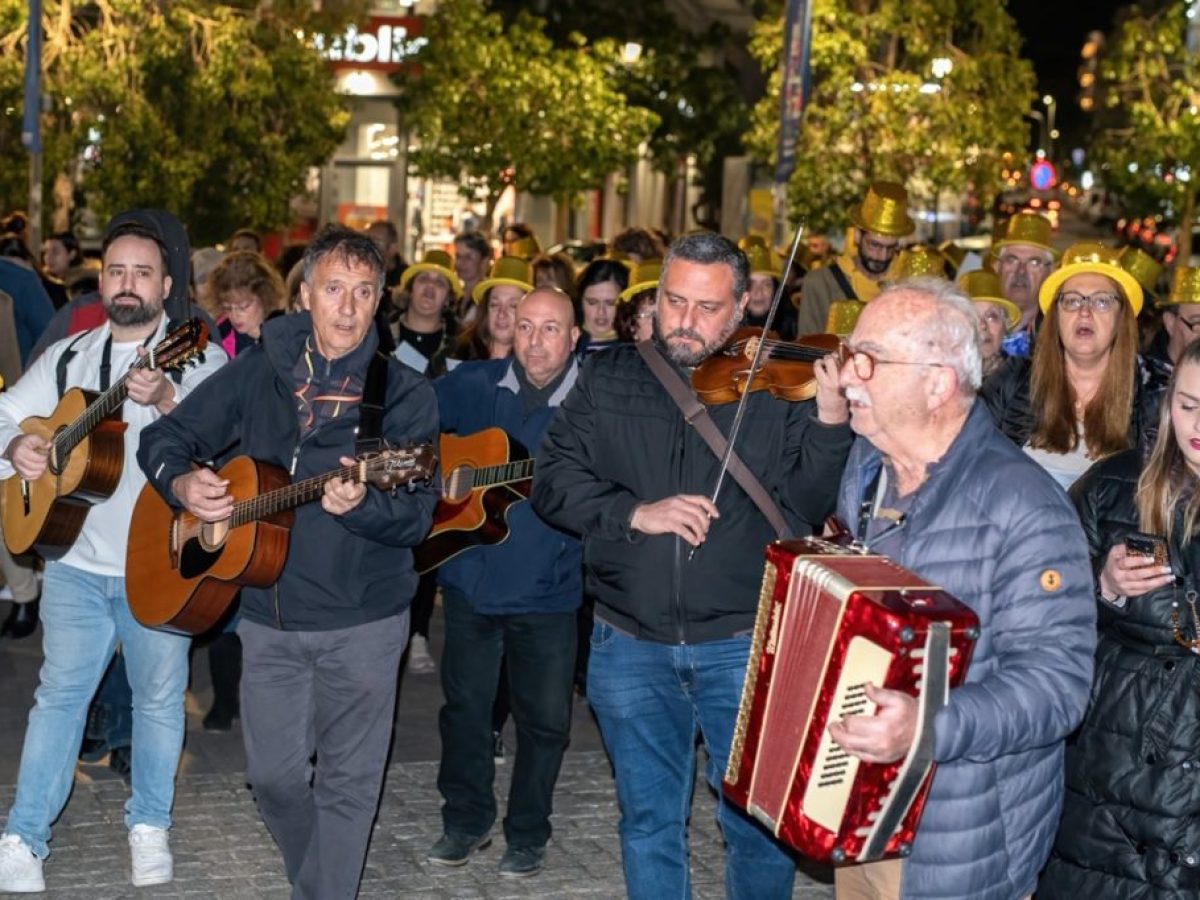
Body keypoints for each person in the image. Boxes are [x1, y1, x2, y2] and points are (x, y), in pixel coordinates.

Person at [532, 231, 853, 899]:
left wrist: (828, 420)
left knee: (756, 826)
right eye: (673, 301)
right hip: (628, 641)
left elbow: (806, 505)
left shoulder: (775, 385)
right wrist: (632, 513)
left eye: (707, 308)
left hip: (742, 641)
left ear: (742, 308)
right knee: (648, 822)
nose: (685, 321)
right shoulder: (611, 374)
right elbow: (552, 481)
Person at [136, 225, 438, 899]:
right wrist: (182, 483)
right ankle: (319, 882)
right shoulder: (260, 369)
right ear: (304, 295)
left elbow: (417, 517)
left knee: (348, 786)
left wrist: (358, 505)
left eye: (365, 292)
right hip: (266, 616)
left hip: (364, 622)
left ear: (380, 300)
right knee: (273, 779)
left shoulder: (405, 397)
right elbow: (164, 437)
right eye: (334, 289)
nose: (349, 307)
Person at [828, 277, 1096, 899]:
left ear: (937, 383)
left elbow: (1056, 689)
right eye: (850, 356)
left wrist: (926, 728)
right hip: (865, 808)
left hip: (965, 833)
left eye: (868, 360)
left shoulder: (1025, 505)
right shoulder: (866, 471)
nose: (847, 378)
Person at [0, 214, 228, 893]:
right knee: (58, 698)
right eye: (116, 271)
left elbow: (225, 443)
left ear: (167, 284)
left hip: (159, 562)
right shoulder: (72, 355)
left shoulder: (196, 355)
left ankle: (149, 826)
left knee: (159, 699)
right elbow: (9, 411)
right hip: (73, 559)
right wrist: (17, 447)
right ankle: (22, 835)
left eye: (142, 272)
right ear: (102, 281)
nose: (127, 284)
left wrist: (167, 399)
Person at [428, 288, 582, 878]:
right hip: (470, 579)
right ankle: (464, 821)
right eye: (526, 327)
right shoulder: (473, 383)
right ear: (509, 330)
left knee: (545, 722)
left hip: (550, 590)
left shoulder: (592, 401)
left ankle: (528, 832)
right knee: (464, 711)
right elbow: (414, 424)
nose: (536, 341)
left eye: (551, 329)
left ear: (573, 338)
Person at [1037, 338, 1200, 898]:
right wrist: (1100, 586)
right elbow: (1042, 605)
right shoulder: (1113, 486)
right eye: (1187, 404)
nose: (1197, 424)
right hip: (1115, 774)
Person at [982, 242, 1162, 491]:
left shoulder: (1153, 393)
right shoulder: (1012, 379)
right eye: (1072, 301)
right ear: (1055, 316)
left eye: (1101, 302)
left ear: (1122, 318)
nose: (1085, 312)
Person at [197, 250, 288, 731]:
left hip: (271, 474)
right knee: (222, 583)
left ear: (264, 298)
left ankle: (256, 703)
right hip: (229, 466)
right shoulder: (223, 340)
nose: (235, 313)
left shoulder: (284, 338)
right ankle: (224, 700)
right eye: (228, 305)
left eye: (243, 303)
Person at [795, 181, 914, 336]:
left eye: (891, 248)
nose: (882, 256)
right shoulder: (820, 283)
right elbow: (807, 346)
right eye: (875, 245)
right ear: (857, 235)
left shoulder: (912, 282)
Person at [990, 212, 1058, 352]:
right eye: (1012, 260)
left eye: (1034, 262)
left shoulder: (1058, 336)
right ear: (997, 267)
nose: (1021, 271)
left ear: (1050, 272)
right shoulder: (974, 325)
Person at [392, 248, 460, 377]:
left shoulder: (460, 348)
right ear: (410, 289)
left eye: (440, 283)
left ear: (448, 298)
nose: (430, 285)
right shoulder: (380, 336)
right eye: (423, 279)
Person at [454, 256, 533, 362]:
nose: (501, 314)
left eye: (513, 306)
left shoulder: (537, 366)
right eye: (495, 304)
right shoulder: (457, 356)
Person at [958, 270, 1020, 379]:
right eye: (972, 316)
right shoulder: (939, 374)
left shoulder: (1022, 379)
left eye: (991, 317)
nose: (982, 325)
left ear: (1005, 327)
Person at [574, 258, 629, 355]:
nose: (601, 311)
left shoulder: (636, 352)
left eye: (610, 303)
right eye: (592, 302)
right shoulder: (565, 347)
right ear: (580, 302)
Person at [613, 260, 659, 344]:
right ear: (632, 326)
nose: (661, 325)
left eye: (667, 315)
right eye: (651, 316)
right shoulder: (615, 356)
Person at [453, 231, 493, 323]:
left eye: (468, 257)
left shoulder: (488, 298)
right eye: (458, 256)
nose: (460, 263)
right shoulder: (455, 295)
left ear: (484, 261)